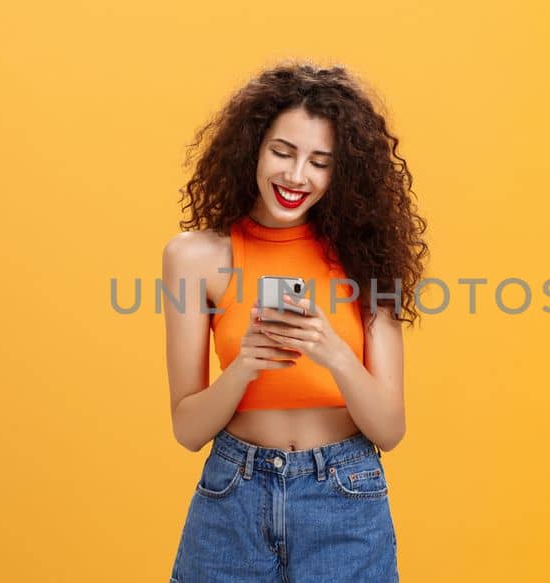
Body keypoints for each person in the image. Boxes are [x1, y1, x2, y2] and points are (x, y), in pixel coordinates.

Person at [161, 60, 428, 582]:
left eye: (319, 161)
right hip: (233, 496)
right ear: (254, 148)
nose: (295, 176)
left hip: (345, 497)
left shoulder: (367, 260)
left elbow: (389, 430)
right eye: (282, 152)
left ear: (343, 171)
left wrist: (332, 351)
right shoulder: (194, 258)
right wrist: (244, 366)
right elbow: (187, 429)